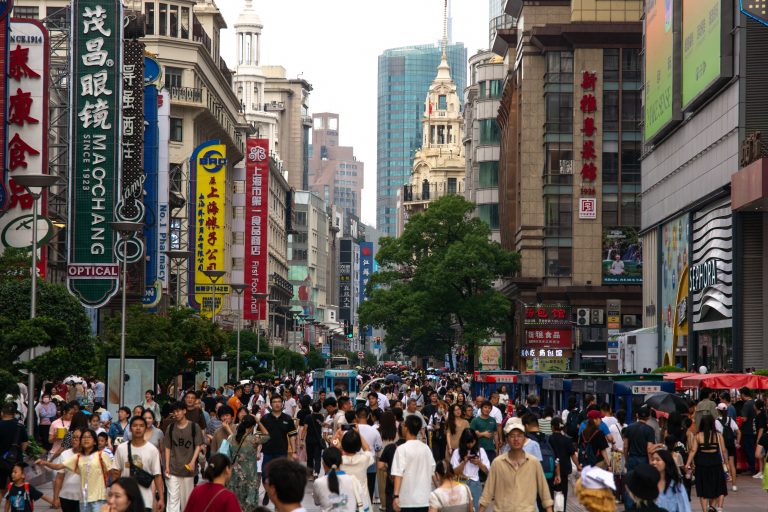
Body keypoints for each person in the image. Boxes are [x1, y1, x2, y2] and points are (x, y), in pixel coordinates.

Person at [479, 419, 553, 512]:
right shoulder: (497, 463)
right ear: (507, 439)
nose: (516, 439)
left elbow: (545, 493)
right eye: (512, 436)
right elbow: (487, 493)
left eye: (519, 436)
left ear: (524, 438)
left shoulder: (534, 463)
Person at [37, 429, 112, 512]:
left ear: (95, 442)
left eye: (89, 437)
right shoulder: (78, 457)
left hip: (98, 499)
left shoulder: (102, 455)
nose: (86, 439)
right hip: (84, 500)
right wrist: (44, 463)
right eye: (84, 437)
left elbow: (113, 473)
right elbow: (58, 466)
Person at [110, 416, 164, 512]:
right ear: (130, 429)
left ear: (145, 428)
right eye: (135, 425)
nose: (138, 428)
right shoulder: (121, 448)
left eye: (141, 426)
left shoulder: (152, 450)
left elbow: (157, 475)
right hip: (125, 501)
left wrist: (161, 498)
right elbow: (115, 472)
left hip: (145, 500)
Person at [164, 401, 205, 512]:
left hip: (188, 469)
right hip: (173, 468)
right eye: (174, 412)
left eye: (178, 411)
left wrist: (192, 462)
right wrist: (167, 466)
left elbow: (198, 445)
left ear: (184, 411)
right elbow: (167, 447)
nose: (176, 414)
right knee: (173, 499)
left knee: (187, 500)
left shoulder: (194, 427)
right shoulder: (171, 428)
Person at [258, 394, 298, 505]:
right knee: (265, 475)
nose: (276, 404)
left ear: (282, 404)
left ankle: (278, 496)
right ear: (271, 404)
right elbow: (259, 437)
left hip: (281, 452)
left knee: (280, 476)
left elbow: (292, 436)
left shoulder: (287, 419)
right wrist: (258, 451)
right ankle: (267, 491)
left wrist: (294, 452)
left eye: (279, 401)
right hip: (267, 452)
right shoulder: (265, 419)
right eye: (274, 401)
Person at [392, 415, 436, 512]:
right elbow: (433, 472)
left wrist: (396, 496)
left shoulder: (401, 449)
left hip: (406, 500)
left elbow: (398, 475)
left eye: (403, 425)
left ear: (406, 428)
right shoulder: (426, 448)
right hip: (424, 499)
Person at [684, 414, 727, 512]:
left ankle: (705, 510)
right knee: (718, 486)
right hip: (716, 463)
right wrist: (726, 463)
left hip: (702, 464)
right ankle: (716, 507)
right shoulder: (718, 435)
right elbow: (724, 450)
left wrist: (687, 463)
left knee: (703, 489)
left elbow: (693, 451)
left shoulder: (698, 436)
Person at [313, 446, 367, 512]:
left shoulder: (318, 482)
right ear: (341, 461)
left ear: (324, 464)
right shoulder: (353, 480)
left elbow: (317, 502)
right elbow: (365, 505)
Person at [623, 406, 657, 510]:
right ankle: (642, 506)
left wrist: (626, 459)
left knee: (630, 483)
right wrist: (651, 462)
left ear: (637, 415)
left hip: (632, 458)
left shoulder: (629, 428)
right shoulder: (650, 430)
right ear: (648, 417)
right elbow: (649, 448)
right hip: (644, 460)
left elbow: (625, 446)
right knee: (643, 483)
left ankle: (629, 507)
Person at [451, 429, 489, 511]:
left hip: (474, 482)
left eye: (473, 442)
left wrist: (479, 463)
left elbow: (488, 472)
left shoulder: (480, 451)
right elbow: (453, 473)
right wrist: (463, 462)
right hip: (460, 481)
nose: (470, 445)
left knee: (476, 507)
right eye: (468, 442)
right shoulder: (457, 452)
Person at [548, 417, 579, 510]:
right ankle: (562, 509)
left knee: (551, 493)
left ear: (552, 427)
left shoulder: (549, 439)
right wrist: (578, 465)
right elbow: (573, 455)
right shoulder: (567, 440)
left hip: (552, 471)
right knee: (562, 494)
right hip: (564, 471)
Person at [355, 408, 383, 502]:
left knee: (356, 487)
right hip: (370, 462)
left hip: (356, 461)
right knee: (369, 487)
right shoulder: (374, 431)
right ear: (368, 416)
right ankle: (369, 504)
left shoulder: (352, 430)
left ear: (356, 416)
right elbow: (379, 447)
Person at [52, 427, 83, 512]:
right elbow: (59, 478)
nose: (74, 440)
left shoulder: (89, 455)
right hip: (66, 497)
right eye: (73, 437)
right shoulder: (65, 454)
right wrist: (56, 497)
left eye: (77, 438)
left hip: (83, 498)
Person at [0, 404, 28, 491]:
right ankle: (14, 504)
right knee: (17, 486)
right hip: (16, 461)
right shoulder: (20, 425)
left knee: (0, 488)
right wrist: (18, 452)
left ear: (2, 413)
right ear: (14, 414)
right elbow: (25, 443)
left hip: (0, 461)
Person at [714, 403, 739, 492]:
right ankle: (734, 485)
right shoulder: (731, 420)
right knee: (732, 464)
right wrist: (737, 442)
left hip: (722, 444)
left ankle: (723, 483)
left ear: (718, 411)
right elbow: (738, 432)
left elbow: (718, 434)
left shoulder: (716, 421)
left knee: (723, 463)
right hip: (731, 443)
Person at [300, 401, 325, 478]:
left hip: (309, 440)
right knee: (317, 458)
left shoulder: (308, 417)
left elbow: (305, 429)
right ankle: (316, 473)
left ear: (312, 408)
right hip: (318, 440)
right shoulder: (322, 417)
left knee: (310, 458)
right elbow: (322, 426)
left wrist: (301, 439)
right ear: (320, 408)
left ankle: (310, 474)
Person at [739, 387, 758, 477]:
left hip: (747, 430)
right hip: (754, 429)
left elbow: (744, 418)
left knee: (748, 449)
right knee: (751, 449)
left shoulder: (746, 404)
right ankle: (752, 467)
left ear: (743, 394)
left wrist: (739, 419)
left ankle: (751, 468)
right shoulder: (754, 402)